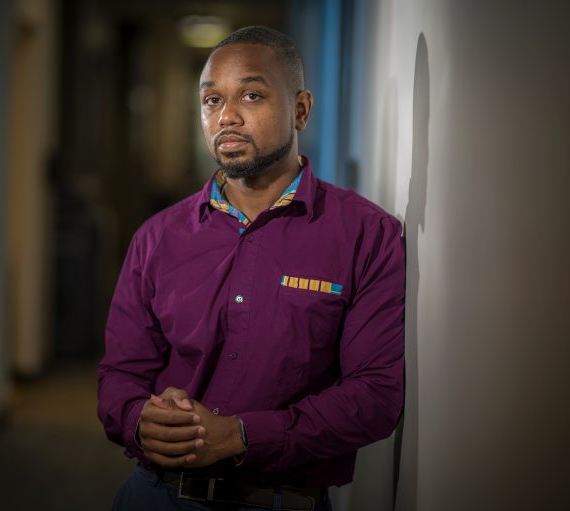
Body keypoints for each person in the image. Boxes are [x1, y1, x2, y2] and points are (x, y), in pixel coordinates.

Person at [97, 25, 405, 511]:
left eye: (252, 95)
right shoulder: (156, 238)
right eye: (211, 100)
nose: (227, 116)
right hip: (154, 496)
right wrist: (138, 418)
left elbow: (374, 397)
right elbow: (119, 373)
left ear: (300, 108)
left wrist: (240, 436)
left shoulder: (367, 235)